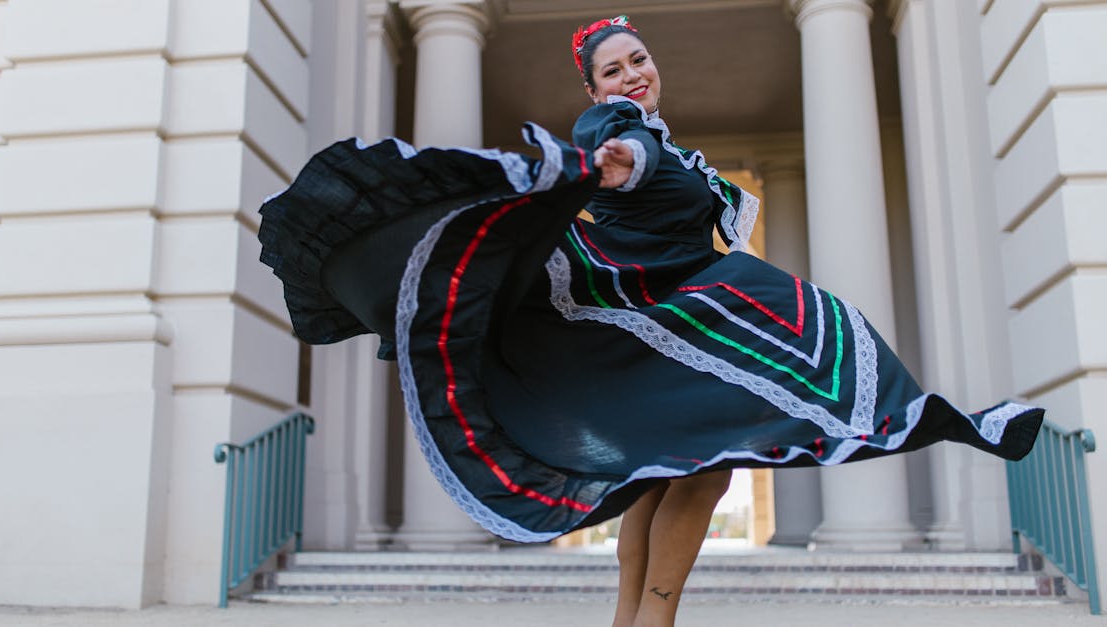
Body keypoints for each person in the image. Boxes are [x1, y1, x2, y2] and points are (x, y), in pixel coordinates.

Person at [257, 15, 1042, 627]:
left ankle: (637, 618)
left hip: (672, 320)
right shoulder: (617, 131)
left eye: (638, 60)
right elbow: (623, 152)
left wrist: (630, 158)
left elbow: (648, 157)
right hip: (661, 322)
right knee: (722, 448)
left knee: (665, 474)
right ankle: (653, 617)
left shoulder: (662, 135)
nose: (631, 75)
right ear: (594, 89)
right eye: (613, 70)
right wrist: (607, 163)